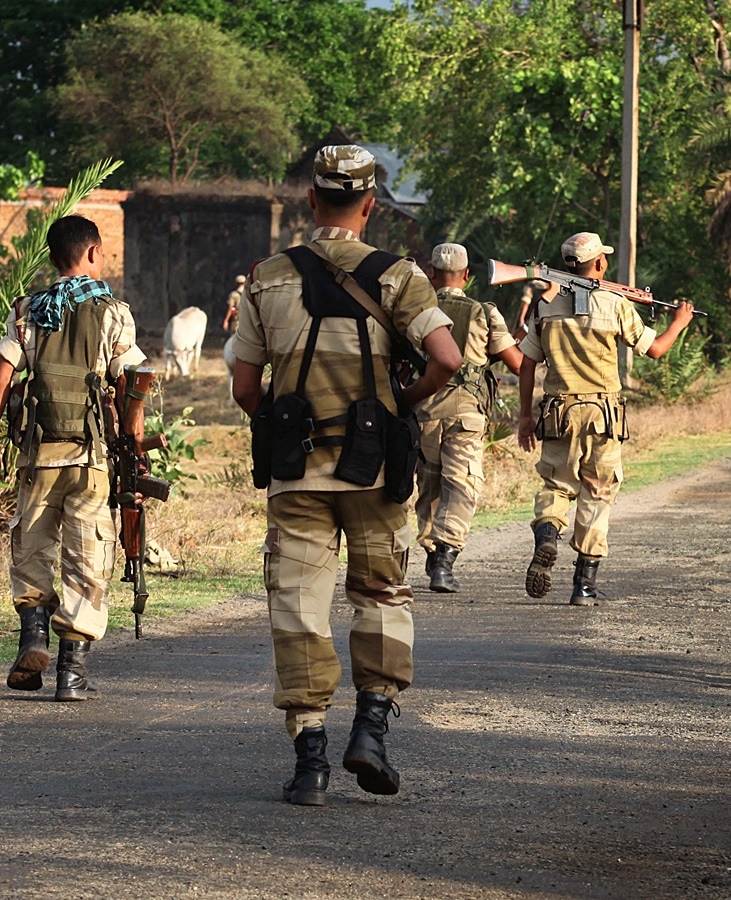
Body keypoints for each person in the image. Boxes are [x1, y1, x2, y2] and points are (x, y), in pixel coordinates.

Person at [230, 145, 462, 807]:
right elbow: (445, 360)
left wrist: (282, 417)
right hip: (375, 472)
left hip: (297, 472)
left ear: (310, 202)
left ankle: (310, 764)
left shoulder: (267, 279)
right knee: (382, 595)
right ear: (369, 205)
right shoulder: (399, 276)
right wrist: (400, 405)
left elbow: (246, 388)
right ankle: (371, 730)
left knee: (299, 610)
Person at [0, 215, 147, 701]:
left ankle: (33, 637)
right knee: (87, 558)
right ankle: (71, 675)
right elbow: (133, 383)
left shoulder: (30, 310)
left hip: (37, 457)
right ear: (93, 253)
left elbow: (2, 376)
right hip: (89, 460)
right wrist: (135, 445)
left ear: (53, 259)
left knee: (31, 547)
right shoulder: (114, 312)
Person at [516, 232, 694, 605]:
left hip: (558, 412)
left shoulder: (545, 308)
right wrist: (679, 322)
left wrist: (525, 416)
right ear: (599, 264)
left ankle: (548, 536)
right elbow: (656, 349)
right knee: (598, 492)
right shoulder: (614, 305)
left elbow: (528, 362)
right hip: (602, 415)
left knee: (555, 486)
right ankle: (584, 585)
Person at [415, 242, 525, 593]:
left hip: (422, 411)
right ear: (466, 275)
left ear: (432, 274)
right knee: (461, 486)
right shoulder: (484, 312)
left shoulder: (415, 310)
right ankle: (444, 560)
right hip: (466, 412)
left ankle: (433, 552)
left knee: (429, 487)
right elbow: (517, 364)